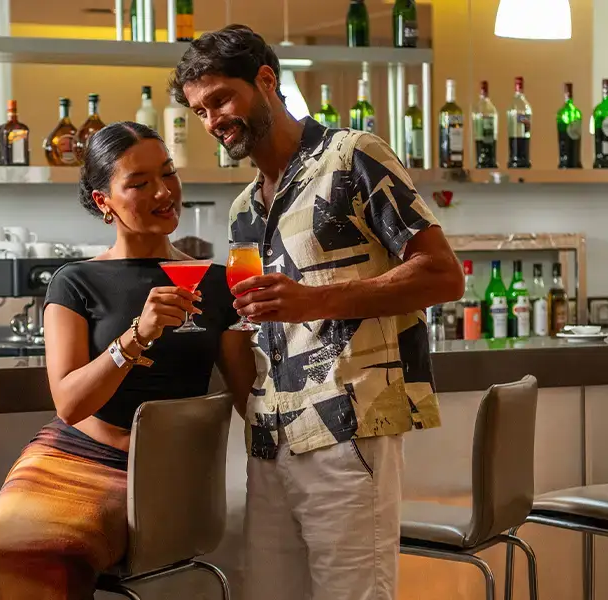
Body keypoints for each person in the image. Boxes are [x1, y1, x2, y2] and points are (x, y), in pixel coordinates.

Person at [171, 25, 466, 600]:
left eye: (221, 99)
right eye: (200, 111)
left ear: (265, 80)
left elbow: (441, 273)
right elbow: (248, 326)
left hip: (350, 426)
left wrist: (317, 300)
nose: (212, 121)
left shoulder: (354, 157)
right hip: (271, 439)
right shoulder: (243, 211)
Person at [0, 121, 257, 599]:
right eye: (140, 183)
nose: (164, 192)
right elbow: (70, 404)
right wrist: (135, 337)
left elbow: (251, 401)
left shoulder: (216, 282)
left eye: (168, 174)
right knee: (22, 556)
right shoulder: (74, 281)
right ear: (103, 201)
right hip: (69, 461)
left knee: (38, 558)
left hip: (162, 479)